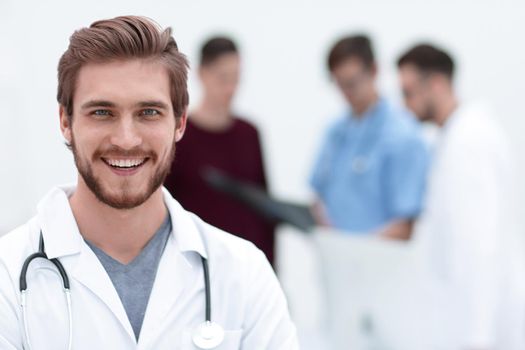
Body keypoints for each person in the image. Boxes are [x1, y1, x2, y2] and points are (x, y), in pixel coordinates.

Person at [0, 16, 298, 349]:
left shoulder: (244, 275)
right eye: (102, 112)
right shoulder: (8, 276)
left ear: (180, 122)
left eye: (148, 113)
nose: (126, 140)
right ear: (65, 121)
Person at [397, 43, 525, 349]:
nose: (404, 104)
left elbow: (480, 248)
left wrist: (475, 339)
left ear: (437, 84)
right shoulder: (452, 139)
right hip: (464, 318)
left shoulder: (470, 142)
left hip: (483, 326)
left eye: (409, 92)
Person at [164, 37, 276, 264]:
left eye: (236, 78)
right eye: (223, 78)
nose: (230, 88)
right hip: (196, 263)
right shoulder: (179, 136)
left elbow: (265, 208)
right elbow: (165, 207)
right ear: (202, 74)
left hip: (246, 263)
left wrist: (269, 266)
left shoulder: (249, 133)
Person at [310, 34, 429, 239]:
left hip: (380, 262)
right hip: (335, 260)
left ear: (373, 71)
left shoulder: (403, 136)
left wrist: (358, 251)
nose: (346, 93)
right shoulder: (335, 132)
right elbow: (318, 196)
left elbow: (405, 222)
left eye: (352, 83)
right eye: (339, 84)